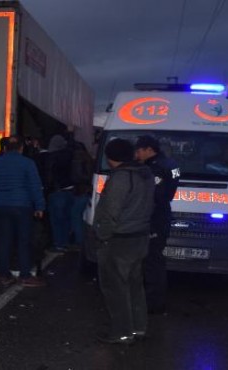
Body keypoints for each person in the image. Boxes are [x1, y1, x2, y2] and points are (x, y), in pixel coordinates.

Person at [94, 138, 154, 344]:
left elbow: (111, 211)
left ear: (111, 158)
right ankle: (138, 328)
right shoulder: (145, 174)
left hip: (120, 239)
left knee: (115, 287)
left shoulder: (121, 177)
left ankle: (121, 332)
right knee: (135, 285)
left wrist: (103, 236)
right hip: (140, 236)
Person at [0, 135, 46, 287]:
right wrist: (39, 206)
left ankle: (4, 274)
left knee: (3, 242)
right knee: (24, 242)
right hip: (22, 207)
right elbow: (35, 186)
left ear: (5, 148)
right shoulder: (28, 164)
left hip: (0, 207)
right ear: (21, 148)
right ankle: (25, 275)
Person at [134, 135, 180, 314]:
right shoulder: (171, 164)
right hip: (160, 217)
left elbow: (153, 196)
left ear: (148, 149)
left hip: (153, 218)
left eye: (139, 150)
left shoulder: (154, 169)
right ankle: (153, 300)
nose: (136, 154)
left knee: (152, 261)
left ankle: (152, 303)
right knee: (154, 259)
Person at [38, 134, 74, 252]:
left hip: (57, 191)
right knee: (66, 219)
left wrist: (46, 189)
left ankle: (58, 244)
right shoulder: (70, 155)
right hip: (70, 190)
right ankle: (66, 242)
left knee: (56, 220)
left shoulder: (52, 157)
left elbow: (49, 175)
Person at [68, 140, 94, 249]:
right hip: (87, 189)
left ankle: (79, 241)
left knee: (75, 216)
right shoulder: (88, 158)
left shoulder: (77, 158)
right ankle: (82, 240)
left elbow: (77, 176)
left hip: (80, 190)